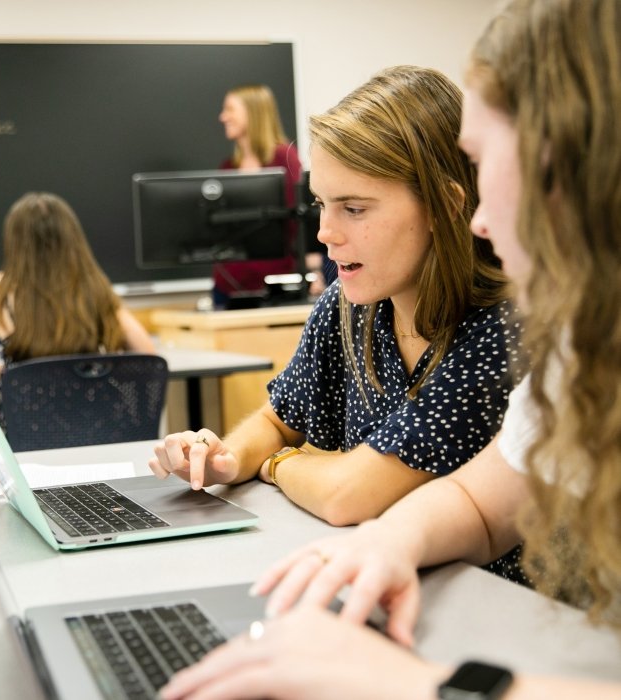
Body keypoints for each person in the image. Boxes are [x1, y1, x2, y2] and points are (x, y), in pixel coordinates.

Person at [158, 1, 621, 698]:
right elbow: (478, 502)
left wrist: (421, 684)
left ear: (575, 175)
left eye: (488, 163)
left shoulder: (510, 331)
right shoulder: (582, 351)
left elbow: (349, 489)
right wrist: (388, 542)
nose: (483, 219)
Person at [150, 65, 525, 546]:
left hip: (488, 601)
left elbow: (349, 496)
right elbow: (277, 419)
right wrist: (223, 458)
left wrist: (277, 464)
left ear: (444, 205)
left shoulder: (500, 328)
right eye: (320, 204)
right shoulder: (349, 305)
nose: (325, 232)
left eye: (354, 208)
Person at [0, 191, 157, 388]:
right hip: (96, 429)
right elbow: (150, 360)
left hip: (24, 434)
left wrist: (14, 372)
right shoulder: (94, 286)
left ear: (15, 244)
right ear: (74, 240)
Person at [212, 84, 303, 308]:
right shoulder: (228, 167)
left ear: (252, 112)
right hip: (227, 287)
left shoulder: (284, 159)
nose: (223, 117)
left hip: (275, 288)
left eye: (230, 109)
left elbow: (298, 223)